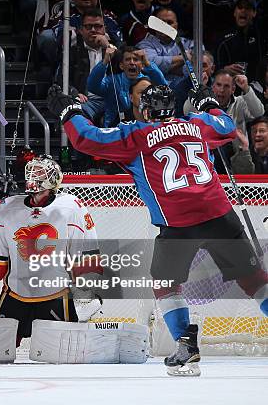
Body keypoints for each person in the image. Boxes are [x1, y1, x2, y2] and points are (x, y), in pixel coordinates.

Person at [47, 83, 268, 376]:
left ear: (147, 110)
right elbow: (227, 127)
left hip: (179, 225)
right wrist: (208, 104)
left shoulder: (137, 135)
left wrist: (69, 110)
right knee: (254, 281)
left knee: (165, 285)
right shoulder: (197, 125)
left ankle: (186, 345)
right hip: (220, 214)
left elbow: (88, 138)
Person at [0, 156, 142, 364]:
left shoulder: (71, 208)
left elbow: (86, 253)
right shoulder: (7, 208)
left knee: (62, 358)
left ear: (53, 182)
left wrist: (87, 290)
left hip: (57, 296)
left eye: (40, 176)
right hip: (15, 295)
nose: (34, 182)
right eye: (32, 175)